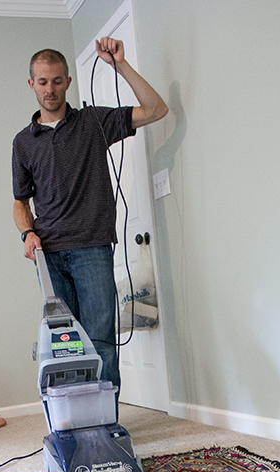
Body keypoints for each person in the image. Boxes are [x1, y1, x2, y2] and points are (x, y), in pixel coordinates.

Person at [12, 37, 168, 405]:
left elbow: (156, 108)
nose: (50, 89)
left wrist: (120, 65)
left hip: (92, 249)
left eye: (56, 81)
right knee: (63, 342)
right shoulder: (23, 142)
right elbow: (20, 202)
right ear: (31, 84)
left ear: (67, 82)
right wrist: (27, 233)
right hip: (48, 254)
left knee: (99, 338)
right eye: (42, 81)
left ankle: (103, 418)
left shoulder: (94, 122)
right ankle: (71, 418)